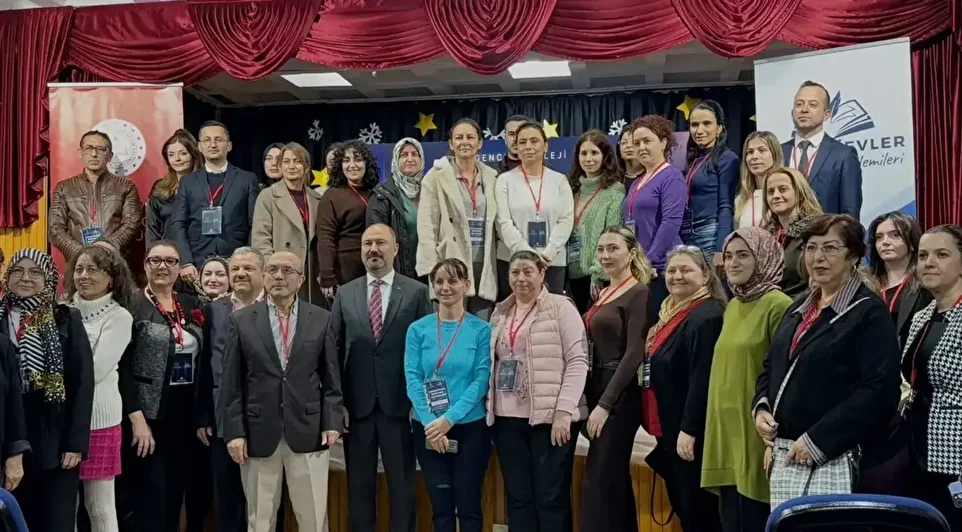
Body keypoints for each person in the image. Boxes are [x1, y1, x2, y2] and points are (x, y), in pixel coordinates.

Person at [753, 215, 900, 509]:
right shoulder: (799, 306)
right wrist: (761, 408)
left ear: (854, 256)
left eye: (830, 248)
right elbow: (771, 366)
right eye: (811, 247)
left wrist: (819, 440)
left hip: (835, 458)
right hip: (787, 457)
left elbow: (880, 390)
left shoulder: (869, 313)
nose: (818, 257)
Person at [221, 250, 342, 532]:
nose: (278, 276)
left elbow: (332, 379)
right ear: (264, 276)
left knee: (313, 519)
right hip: (258, 433)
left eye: (287, 271)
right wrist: (234, 432)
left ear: (301, 279)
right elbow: (231, 383)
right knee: (260, 520)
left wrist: (332, 421)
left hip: (309, 430)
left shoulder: (320, 318)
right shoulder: (241, 321)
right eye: (272, 269)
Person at [329, 224, 433, 532]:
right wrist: (337, 404)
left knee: (402, 488)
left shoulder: (416, 292)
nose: (373, 249)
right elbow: (334, 351)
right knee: (359, 490)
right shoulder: (345, 293)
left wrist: (420, 402)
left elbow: (426, 351)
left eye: (380, 243)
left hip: (400, 406)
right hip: (356, 408)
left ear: (395, 249)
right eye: (367, 244)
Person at [488, 250, 588, 532]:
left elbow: (578, 360)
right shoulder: (500, 312)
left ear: (543, 274)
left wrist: (564, 411)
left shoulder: (560, 307)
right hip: (507, 420)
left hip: (550, 420)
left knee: (551, 499)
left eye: (528, 271)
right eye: (515, 272)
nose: (521, 278)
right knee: (519, 499)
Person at [701, 227, 791, 531]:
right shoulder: (733, 305)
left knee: (753, 517)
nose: (733, 263)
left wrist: (772, 439)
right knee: (730, 519)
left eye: (743, 255)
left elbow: (781, 373)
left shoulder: (779, 304)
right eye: (728, 256)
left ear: (763, 257)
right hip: (725, 431)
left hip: (756, 433)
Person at [0, 249, 94, 532]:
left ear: (50, 278)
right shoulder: (1, 317)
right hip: (10, 432)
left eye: (35, 272)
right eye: (18, 271)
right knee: (17, 518)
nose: (25, 278)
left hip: (55, 434)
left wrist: (75, 443)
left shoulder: (65, 317)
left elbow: (82, 382)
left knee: (56, 519)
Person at [120, 240, 209, 532]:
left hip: (187, 413)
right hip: (149, 415)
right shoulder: (132, 304)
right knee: (151, 495)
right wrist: (136, 418)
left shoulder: (192, 303)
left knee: (178, 492)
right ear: (145, 265)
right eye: (155, 260)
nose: (163, 267)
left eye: (170, 261)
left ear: (179, 267)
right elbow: (122, 367)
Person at [405, 258, 492, 532]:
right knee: (440, 508)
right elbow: (412, 379)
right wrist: (432, 423)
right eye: (439, 281)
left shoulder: (482, 330)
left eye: (452, 281)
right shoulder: (417, 330)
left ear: (466, 285)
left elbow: (481, 381)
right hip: (427, 428)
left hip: (470, 428)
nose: (445, 287)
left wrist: (448, 419)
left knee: (469, 507)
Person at [643, 246, 726, 532]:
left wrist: (689, 430)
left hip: (691, 434)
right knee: (684, 507)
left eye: (686, 270)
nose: (677, 276)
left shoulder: (707, 316)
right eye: (671, 270)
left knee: (698, 512)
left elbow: (703, 378)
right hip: (669, 426)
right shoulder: (670, 313)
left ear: (705, 276)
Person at [580, 227, 654, 532]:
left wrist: (605, 405)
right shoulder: (603, 292)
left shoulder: (639, 293)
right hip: (597, 385)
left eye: (613, 248)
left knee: (600, 481)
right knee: (613, 482)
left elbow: (634, 352)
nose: (605, 255)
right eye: (601, 249)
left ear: (631, 253)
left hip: (618, 395)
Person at [66, 245, 136, 532]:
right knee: (64, 505)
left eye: (93, 270)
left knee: (98, 506)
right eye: (79, 269)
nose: (83, 276)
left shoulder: (120, 317)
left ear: (111, 278)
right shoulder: (60, 310)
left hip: (99, 421)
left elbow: (94, 370)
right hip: (61, 421)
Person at [196, 247, 265, 532]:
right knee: (228, 500)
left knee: (265, 503)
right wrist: (203, 415)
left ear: (262, 273)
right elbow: (204, 366)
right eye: (235, 268)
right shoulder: (214, 310)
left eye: (248, 268)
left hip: (266, 419)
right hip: (221, 418)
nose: (240, 274)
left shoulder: (276, 307)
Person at [904, 225, 962, 531]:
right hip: (918, 452)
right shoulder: (921, 317)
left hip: (955, 460)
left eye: (941, 255)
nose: (929, 263)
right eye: (923, 256)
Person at [417, 119, 500, 318]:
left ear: (479, 143)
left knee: (481, 324)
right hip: (450, 259)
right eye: (459, 138)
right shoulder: (435, 177)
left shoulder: (492, 177)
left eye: (470, 137)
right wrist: (432, 267)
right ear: (451, 144)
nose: (464, 142)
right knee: (450, 323)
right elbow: (427, 224)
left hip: (484, 261)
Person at [168, 120, 260, 281]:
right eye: (207, 140)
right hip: (196, 262)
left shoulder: (247, 179)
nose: (212, 144)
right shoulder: (188, 181)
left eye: (218, 140)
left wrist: (246, 259)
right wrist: (186, 261)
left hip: (235, 261)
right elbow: (178, 223)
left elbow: (255, 224)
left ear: (229, 146)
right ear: (199, 146)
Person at [495, 121, 574, 297]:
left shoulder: (560, 180)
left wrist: (548, 253)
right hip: (513, 262)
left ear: (545, 146)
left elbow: (566, 220)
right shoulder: (504, 180)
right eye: (522, 142)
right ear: (516, 147)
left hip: (551, 262)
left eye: (534, 141)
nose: (528, 146)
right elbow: (503, 222)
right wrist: (528, 256)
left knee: (549, 312)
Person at [49, 130, 142, 262]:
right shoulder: (64, 188)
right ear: (80, 153)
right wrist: (82, 255)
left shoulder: (126, 187)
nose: (94, 154)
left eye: (101, 149)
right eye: (88, 148)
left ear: (110, 156)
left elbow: (131, 224)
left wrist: (106, 250)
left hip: (114, 262)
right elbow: (55, 229)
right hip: (77, 263)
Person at [623, 115, 686, 311]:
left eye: (647, 141)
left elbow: (671, 222)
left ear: (663, 143)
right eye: (636, 143)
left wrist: (648, 261)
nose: (641, 147)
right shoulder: (638, 181)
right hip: (639, 267)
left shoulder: (672, 177)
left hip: (660, 268)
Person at [252, 142, 324, 305]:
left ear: (307, 167)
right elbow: (260, 240)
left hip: (310, 274)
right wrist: (272, 271)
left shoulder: (317, 199)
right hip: (281, 273)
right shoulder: (268, 196)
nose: (292, 166)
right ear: (280, 166)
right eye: (286, 161)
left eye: (297, 161)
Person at [565, 130, 626, 313]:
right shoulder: (572, 190)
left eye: (594, 153)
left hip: (596, 277)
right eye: (584, 153)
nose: (588, 159)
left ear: (605, 156)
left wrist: (598, 273)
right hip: (570, 275)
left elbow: (612, 235)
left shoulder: (614, 191)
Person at [781, 80, 862, 217]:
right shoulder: (779, 152)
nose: (804, 109)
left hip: (826, 230)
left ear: (826, 114)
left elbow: (850, 213)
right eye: (799, 104)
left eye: (813, 105)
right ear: (792, 112)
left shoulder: (843, 155)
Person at [316, 140, 380, 300]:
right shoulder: (332, 195)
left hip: (375, 265)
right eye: (346, 160)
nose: (352, 165)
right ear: (340, 165)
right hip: (344, 271)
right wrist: (327, 275)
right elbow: (325, 238)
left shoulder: (376, 193)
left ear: (367, 163)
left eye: (358, 159)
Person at [683, 100, 739, 265]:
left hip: (710, 234)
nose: (699, 130)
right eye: (694, 125)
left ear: (719, 128)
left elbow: (726, 205)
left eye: (707, 124)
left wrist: (721, 247)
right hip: (686, 235)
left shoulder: (727, 158)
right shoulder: (691, 160)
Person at [368, 137, 426, 281]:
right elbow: (377, 237)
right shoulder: (382, 194)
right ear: (395, 160)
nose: (410, 159)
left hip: (429, 271)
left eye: (415, 154)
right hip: (398, 273)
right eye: (404, 155)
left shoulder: (432, 188)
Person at [869, 211, 930, 345]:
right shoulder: (867, 285)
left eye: (895, 235)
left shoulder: (926, 284)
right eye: (879, 237)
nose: (885, 242)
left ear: (912, 242)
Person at [762, 167, 823, 298]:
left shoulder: (817, 230)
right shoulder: (764, 237)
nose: (776, 196)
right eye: (770, 191)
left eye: (783, 189)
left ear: (799, 192)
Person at [148, 130, 203, 243]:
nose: (177, 159)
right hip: (167, 250)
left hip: (198, 249)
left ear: (193, 155)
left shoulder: (207, 187)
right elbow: (151, 230)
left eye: (183, 153)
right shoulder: (159, 188)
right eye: (171, 155)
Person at [734, 131, 782, 229]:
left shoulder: (786, 193)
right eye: (750, 152)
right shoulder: (740, 200)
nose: (754, 156)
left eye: (762, 150)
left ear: (775, 154)